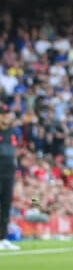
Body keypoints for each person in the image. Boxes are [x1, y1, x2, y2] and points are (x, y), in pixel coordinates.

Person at [0, 104, 20, 250]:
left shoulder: (13, 132)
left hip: (9, 172)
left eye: (7, 114)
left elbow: (15, 151)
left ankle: (3, 238)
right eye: (3, 114)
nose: (6, 116)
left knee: (6, 206)